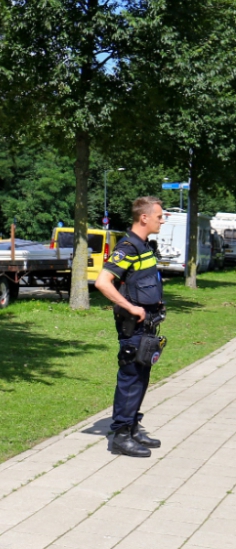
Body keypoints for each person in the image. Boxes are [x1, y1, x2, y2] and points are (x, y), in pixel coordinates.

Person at [94, 196, 166, 457]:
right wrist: (131, 308)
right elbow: (103, 282)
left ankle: (133, 426)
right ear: (144, 217)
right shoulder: (127, 247)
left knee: (141, 377)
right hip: (132, 327)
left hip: (147, 326)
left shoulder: (144, 246)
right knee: (131, 378)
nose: (162, 220)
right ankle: (121, 436)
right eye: (159, 216)